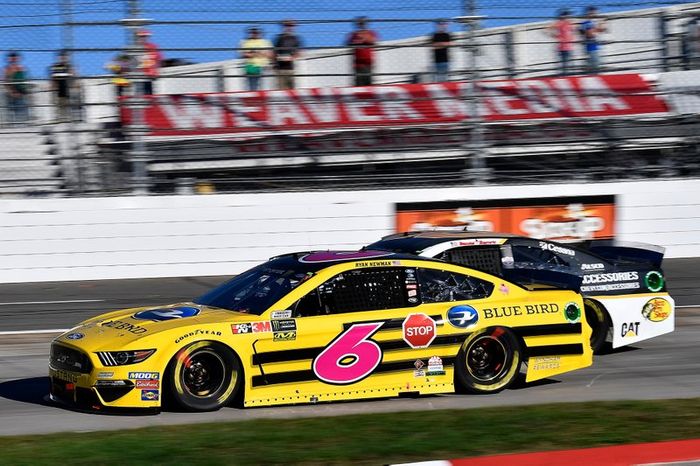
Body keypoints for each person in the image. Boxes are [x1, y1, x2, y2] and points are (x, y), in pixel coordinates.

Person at [346, 16, 378, 86]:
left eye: (363, 23)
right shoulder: (353, 34)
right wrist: (356, 39)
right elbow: (348, 43)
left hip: (368, 63)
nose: (361, 24)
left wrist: (363, 37)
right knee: (359, 83)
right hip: (358, 63)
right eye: (360, 23)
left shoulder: (370, 33)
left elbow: (373, 41)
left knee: (368, 82)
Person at [240, 26, 272, 91]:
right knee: (253, 88)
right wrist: (260, 53)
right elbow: (244, 54)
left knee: (266, 87)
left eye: (256, 32)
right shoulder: (246, 42)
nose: (255, 34)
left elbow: (270, 54)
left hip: (264, 66)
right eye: (253, 32)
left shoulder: (265, 42)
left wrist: (253, 52)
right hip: (252, 67)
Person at [273, 20, 303, 89]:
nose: (289, 27)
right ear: (283, 27)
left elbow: (299, 52)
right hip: (280, 68)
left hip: (291, 68)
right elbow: (274, 52)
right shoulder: (279, 38)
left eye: (291, 26)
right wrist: (276, 60)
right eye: (287, 26)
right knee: (281, 89)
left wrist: (292, 57)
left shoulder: (296, 39)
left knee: (292, 89)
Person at [49, 50, 77, 122]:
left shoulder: (70, 66)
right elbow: (53, 78)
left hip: (67, 88)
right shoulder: (55, 66)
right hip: (59, 89)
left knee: (68, 106)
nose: (63, 58)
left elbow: (74, 76)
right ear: (59, 57)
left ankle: (68, 119)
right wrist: (53, 86)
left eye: (64, 56)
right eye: (61, 56)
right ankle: (60, 119)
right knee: (59, 106)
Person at [4, 52, 29, 123]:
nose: (13, 59)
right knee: (11, 110)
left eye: (15, 57)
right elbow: (6, 82)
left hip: (21, 93)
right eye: (12, 57)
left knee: (22, 110)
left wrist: (23, 91)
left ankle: (23, 123)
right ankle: (13, 124)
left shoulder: (22, 68)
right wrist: (11, 92)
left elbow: (24, 80)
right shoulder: (7, 69)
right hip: (12, 93)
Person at [580, 6, 607, 73]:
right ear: (589, 13)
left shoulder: (592, 23)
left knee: (595, 64)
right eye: (594, 12)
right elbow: (590, 34)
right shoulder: (586, 23)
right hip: (591, 47)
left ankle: (587, 69)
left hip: (595, 46)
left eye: (596, 13)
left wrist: (601, 24)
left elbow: (602, 30)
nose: (596, 14)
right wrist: (596, 29)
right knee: (595, 65)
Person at [548, 9, 575, 76]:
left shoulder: (569, 23)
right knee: (564, 67)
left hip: (569, 47)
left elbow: (573, 31)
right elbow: (548, 29)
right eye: (568, 15)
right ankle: (564, 76)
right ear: (563, 16)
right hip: (563, 48)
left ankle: (567, 76)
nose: (570, 16)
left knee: (570, 66)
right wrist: (555, 36)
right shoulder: (560, 23)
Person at [136, 29, 162, 95]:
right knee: (139, 93)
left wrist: (156, 72)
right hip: (138, 75)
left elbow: (159, 59)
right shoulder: (135, 48)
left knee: (150, 93)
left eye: (145, 36)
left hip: (150, 75)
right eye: (141, 37)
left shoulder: (153, 47)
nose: (143, 38)